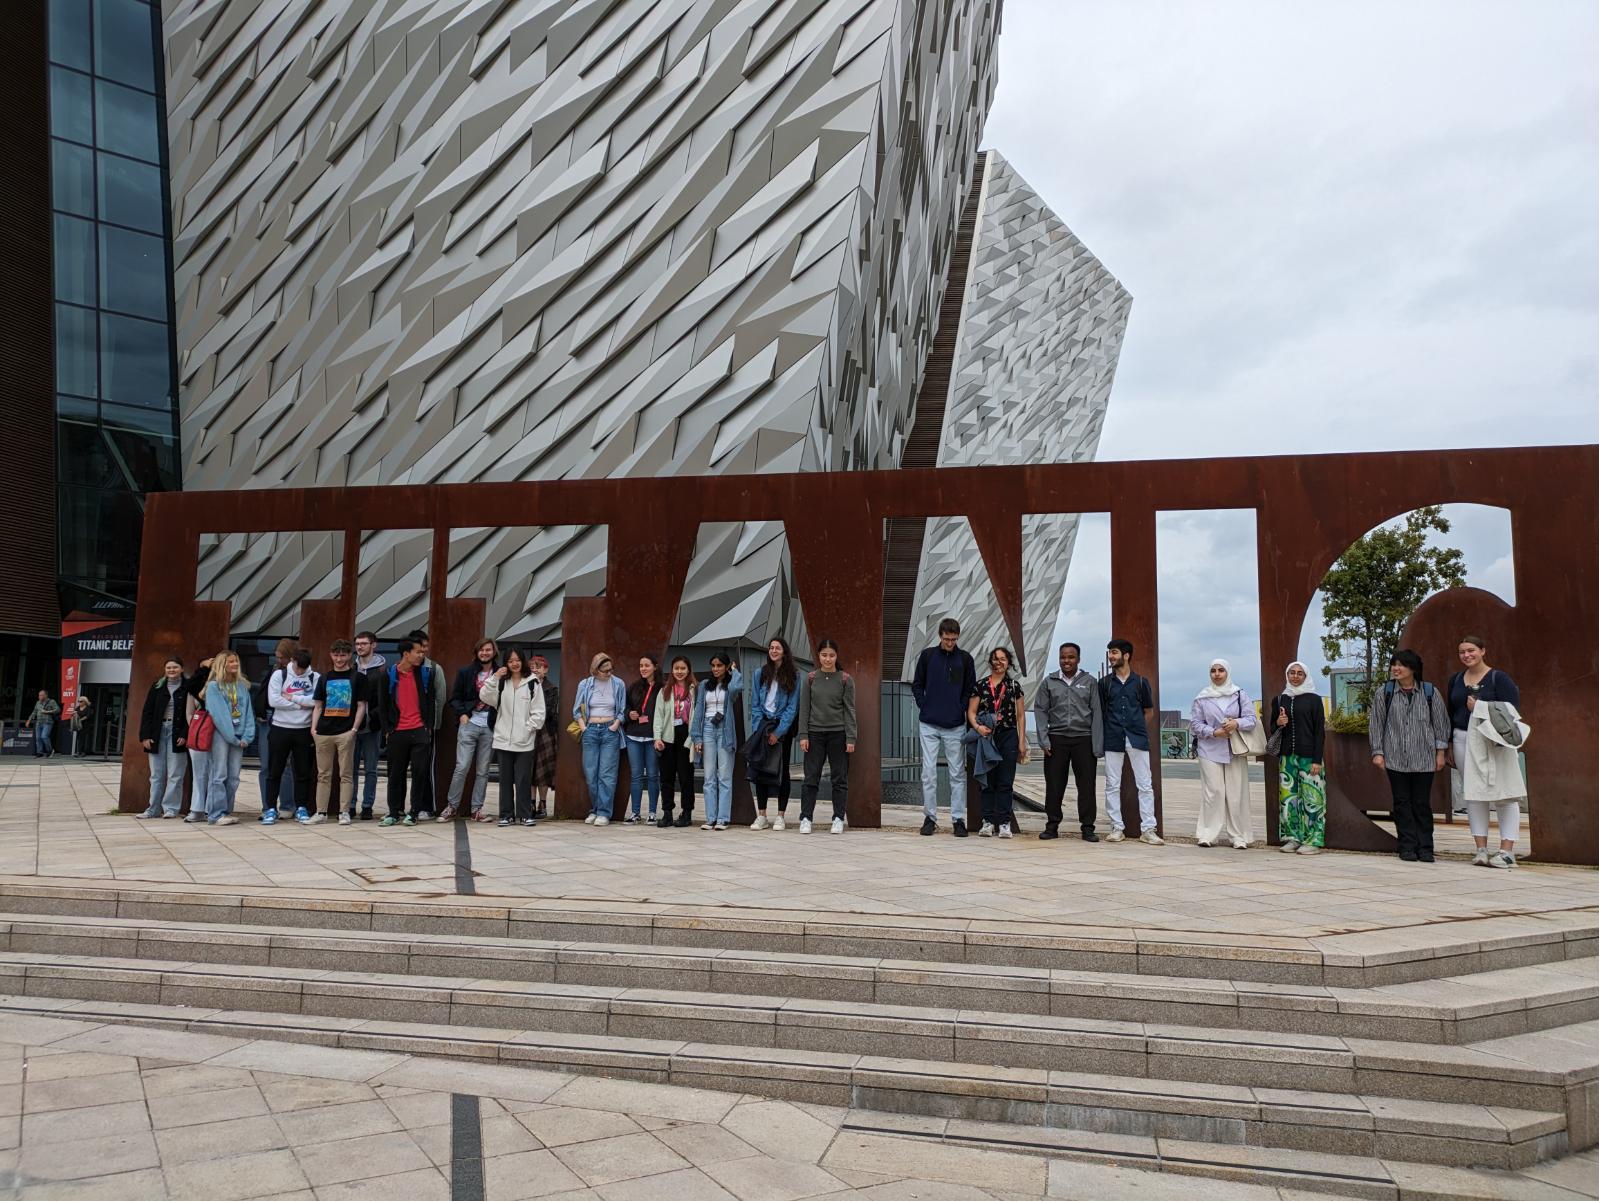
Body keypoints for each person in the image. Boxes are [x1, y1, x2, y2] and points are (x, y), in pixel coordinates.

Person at [1369, 649, 1451, 864]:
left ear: (1413, 668)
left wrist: (1440, 753)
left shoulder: (1430, 692)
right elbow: (1376, 724)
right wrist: (1378, 752)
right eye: (1394, 664)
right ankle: (1406, 846)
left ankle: (1425, 848)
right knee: (1401, 803)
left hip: (1424, 758)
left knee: (1421, 803)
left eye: (1401, 665)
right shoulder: (1384, 692)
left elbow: (1441, 724)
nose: (1396, 668)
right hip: (1395, 757)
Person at [1448, 636, 1523, 867]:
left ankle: (1506, 851)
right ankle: (1480, 848)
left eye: (1471, 650)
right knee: (1473, 794)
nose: (1467, 655)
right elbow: (1451, 713)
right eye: (1462, 652)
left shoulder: (1498, 678)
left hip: (1494, 740)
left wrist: (1479, 707)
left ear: (1482, 651)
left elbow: (1512, 710)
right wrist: (1449, 744)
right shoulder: (1456, 680)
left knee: (1504, 793)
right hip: (1463, 739)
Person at [911, 618, 977, 837]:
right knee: (928, 772)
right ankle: (929, 817)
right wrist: (924, 704)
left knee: (957, 773)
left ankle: (958, 819)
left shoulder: (965, 659)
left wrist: (960, 707)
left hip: (955, 724)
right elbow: (917, 684)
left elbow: (969, 689)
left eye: (954, 639)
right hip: (929, 723)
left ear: (958, 637)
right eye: (947, 639)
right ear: (940, 636)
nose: (950, 642)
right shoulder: (928, 656)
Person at [1032, 642, 1104, 842]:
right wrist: (1043, 739)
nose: (1067, 661)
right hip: (1057, 740)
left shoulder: (1089, 682)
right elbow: (1040, 710)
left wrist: (1097, 744)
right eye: (1063, 657)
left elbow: (1097, 713)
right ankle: (1052, 825)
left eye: (1071, 657)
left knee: (1087, 786)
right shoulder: (1049, 682)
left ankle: (1088, 828)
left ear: (1078, 659)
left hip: (1084, 740)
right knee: (1054, 785)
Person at [1099, 639, 1162, 845]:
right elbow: (1100, 711)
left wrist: (1136, 726)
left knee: (1145, 784)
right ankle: (1117, 827)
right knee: (1112, 784)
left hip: (1137, 738)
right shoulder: (1105, 683)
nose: (1111, 656)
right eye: (1109, 653)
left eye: (1114, 652)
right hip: (1112, 738)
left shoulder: (1141, 682)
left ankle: (1148, 829)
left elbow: (1149, 712)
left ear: (1126, 655)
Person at [1189, 659, 1256, 850]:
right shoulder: (1202, 697)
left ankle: (1239, 836)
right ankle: (1208, 834)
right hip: (1209, 749)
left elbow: (1251, 719)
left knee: (1236, 794)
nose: (1217, 674)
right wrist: (1213, 732)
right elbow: (1195, 724)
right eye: (1213, 671)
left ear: (1228, 672)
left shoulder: (1239, 694)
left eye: (1221, 670)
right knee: (1214, 792)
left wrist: (1236, 724)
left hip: (1235, 750)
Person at [967, 647, 1029, 838]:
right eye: (995, 659)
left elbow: (1020, 716)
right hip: (987, 737)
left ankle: (1003, 822)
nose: (998, 662)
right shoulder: (981, 685)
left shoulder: (1013, 686)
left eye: (1002, 659)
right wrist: (978, 728)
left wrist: (1021, 742)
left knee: (1005, 781)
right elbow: (971, 712)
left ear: (1008, 663)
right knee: (988, 781)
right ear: (990, 662)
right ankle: (987, 822)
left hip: (1008, 735)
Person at [481, 646, 546, 828]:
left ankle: (525, 814)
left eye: (517, 660)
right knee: (505, 779)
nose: (514, 664)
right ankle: (506, 815)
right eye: (510, 661)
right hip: (503, 740)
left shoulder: (533, 682)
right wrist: (494, 678)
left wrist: (528, 729)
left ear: (523, 661)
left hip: (524, 741)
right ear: (506, 663)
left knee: (523, 779)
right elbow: (485, 696)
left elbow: (539, 712)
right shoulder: (502, 683)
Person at [378, 638, 438, 826]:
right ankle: (394, 812)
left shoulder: (424, 674)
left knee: (420, 772)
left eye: (423, 652)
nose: (422, 655)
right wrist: (387, 729)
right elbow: (382, 704)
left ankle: (414, 812)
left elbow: (430, 700)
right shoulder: (388, 674)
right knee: (395, 773)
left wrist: (427, 725)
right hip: (397, 731)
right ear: (406, 654)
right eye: (418, 652)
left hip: (419, 730)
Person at [797, 639, 854, 835]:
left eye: (831, 655)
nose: (827, 659)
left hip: (838, 734)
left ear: (836, 656)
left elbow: (849, 710)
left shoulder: (845, 679)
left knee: (839, 778)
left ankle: (838, 818)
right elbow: (804, 709)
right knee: (811, 778)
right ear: (818, 656)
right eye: (824, 655)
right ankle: (805, 817)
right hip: (814, 735)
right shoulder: (811, 678)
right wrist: (803, 735)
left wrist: (851, 738)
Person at [1270, 662, 1326, 855]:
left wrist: (1317, 759)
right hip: (1287, 757)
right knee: (1288, 799)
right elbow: (1272, 728)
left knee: (1313, 800)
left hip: (1310, 757)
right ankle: (1292, 838)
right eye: (1291, 673)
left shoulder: (1314, 699)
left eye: (1299, 673)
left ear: (1306, 675)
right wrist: (1279, 722)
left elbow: (1320, 731)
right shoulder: (1280, 699)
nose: (1295, 676)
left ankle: (1314, 840)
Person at [312, 639, 369, 827]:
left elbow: (362, 705)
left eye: (343, 655)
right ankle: (321, 811)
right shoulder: (325, 677)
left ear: (349, 655)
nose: (339, 658)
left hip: (345, 731)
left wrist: (354, 729)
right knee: (323, 774)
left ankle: (344, 811)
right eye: (336, 655)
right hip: (324, 731)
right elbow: (318, 705)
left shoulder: (358, 678)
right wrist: (314, 729)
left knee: (346, 773)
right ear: (331, 655)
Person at [443, 639, 499, 822]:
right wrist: (462, 714)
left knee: (483, 770)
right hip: (470, 722)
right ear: (476, 652)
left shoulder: (501, 673)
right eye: (482, 650)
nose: (485, 653)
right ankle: (452, 806)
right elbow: (455, 698)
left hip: (490, 726)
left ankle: (477, 809)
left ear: (494, 652)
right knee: (462, 767)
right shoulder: (466, 672)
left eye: (488, 650)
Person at [264, 647, 320, 826]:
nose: (300, 671)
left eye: (304, 669)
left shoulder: (315, 677)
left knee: (303, 772)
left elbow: (316, 701)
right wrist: (301, 704)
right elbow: (273, 701)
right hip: (280, 728)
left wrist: (292, 698)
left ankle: (301, 806)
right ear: (293, 661)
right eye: (298, 668)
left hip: (304, 730)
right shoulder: (279, 675)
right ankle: (270, 808)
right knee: (275, 771)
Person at [748, 638, 800, 830]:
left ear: (784, 652)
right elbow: (754, 703)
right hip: (763, 725)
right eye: (771, 647)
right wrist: (758, 728)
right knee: (760, 769)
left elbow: (792, 707)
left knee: (782, 770)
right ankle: (761, 815)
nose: (773, 650)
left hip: (781, 727)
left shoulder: (794, 675)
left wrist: (778, 732)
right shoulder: (759, 674)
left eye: (777, 648)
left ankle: (780, 816)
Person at [199, 651, 252, 825]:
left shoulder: (242, 686)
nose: (235, 665)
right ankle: (215, 814)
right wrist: (233, 738)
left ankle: (226, 811)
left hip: (239, 736)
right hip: (221, 736)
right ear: (223, 665)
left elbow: (249, 712)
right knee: (219, 774)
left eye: (236, 661)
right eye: (230, 662)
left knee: (234, 777)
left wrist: (247, 735)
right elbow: (219, 715)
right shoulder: (214, 687)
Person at [692, 653, 743, 831]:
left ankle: (723, 818)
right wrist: (696, 737)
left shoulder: (730, 685)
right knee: (709, 777)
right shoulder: (704, 685)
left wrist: (734, 672)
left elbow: (738, 687)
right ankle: (710, 818)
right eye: (713, 665)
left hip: (725, 730)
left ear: (726, 666)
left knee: (725, 776)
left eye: (720, 665)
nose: (715, 669)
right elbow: (698, 710)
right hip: (707, 728)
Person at [574, 652, 625, 825]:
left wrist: (615, 725)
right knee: (590, 773)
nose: (608, 673)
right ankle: (594, 809)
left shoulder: (618, 684)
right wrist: (584, 728)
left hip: (610, 730)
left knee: (607, 774)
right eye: (604, 671)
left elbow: (622, 710)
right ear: (595, 670)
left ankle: (604, 812)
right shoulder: (586, 684)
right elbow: (576, 710)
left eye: (610, 670)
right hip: (590, 730)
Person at [137, 660, 190, 818]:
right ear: (164, 669)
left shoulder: (188, 686)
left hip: (177, 733)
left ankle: (171, 809)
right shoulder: (157, 686)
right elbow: (147, 712)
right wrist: (145, 735)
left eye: (175, 667)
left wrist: (185, 734)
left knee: (175, 774)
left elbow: (193, 713)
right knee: (156, 774)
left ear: (182, 669)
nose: (171, 670)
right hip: (157, 733)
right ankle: (153, 809)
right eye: (168, 667)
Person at [253, 639, 297, 812]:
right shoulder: (274, 670)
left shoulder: (296, 674)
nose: (279, 660)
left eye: (282, 658)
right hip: (267, 718)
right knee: (265, 765)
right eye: (277, 657)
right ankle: (267, 807)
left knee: (284, 764)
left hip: (284, 719)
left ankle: (287, 805)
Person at [656, 656, 698, 828]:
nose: (679, 672)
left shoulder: (694, 689)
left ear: (688, 670)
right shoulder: (665, 690)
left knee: (686, 777)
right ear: (671, 670)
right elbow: (658, 716)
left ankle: (686, 813)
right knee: (666, 777)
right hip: (668, 737)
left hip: (686, 737)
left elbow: (697, 714)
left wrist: (694, 738)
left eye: (683, 668)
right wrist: (657, 737)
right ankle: (667, 813)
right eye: (676, 668)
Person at [351, 631, 387, 820]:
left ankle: (367, 806)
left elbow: (384, 698)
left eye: (364, 643)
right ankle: (350, 805)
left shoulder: (382, 669)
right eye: (357, 643)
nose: (359, 647)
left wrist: (376, 717)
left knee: (371, 768)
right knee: (351, 768)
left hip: (372, 725)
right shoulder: (351, 666)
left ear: (373, 645)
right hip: (351, 725)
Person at [623, 655, 663, 824]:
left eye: (647, 665)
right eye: (641, 665)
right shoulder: (634, 686)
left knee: (653, 775)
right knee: (636, 775)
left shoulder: (663, 687)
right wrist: (628, 714)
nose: (643, 669)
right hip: (634, 735)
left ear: (655, 667)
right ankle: (635, 812)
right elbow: (625, 707)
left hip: (652, 736)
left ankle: (652, 812)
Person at [529, 655, 559, 818]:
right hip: (528, 730)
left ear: (546, 670)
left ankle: (543, 803)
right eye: (532, 666)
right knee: (530, 769)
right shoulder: (525, 685)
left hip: (546, 731)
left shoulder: (551, 688)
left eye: (538, 666)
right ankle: (530, 803)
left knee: (543, 769)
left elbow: (549, 711)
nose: (535, 669)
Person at [26, 689, 60, 758]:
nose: (39, 696)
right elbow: (34, 712)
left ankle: (50, 751)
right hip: (39, 722)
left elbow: (58, 710)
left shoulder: (51, 701)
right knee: (38, 738)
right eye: (39, 695)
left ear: (45, 695)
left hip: (47, 722)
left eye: (41, 695)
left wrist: (48, 712)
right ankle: (39, 752)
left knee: (44, 736)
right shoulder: (38, 703)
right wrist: (29, 720)